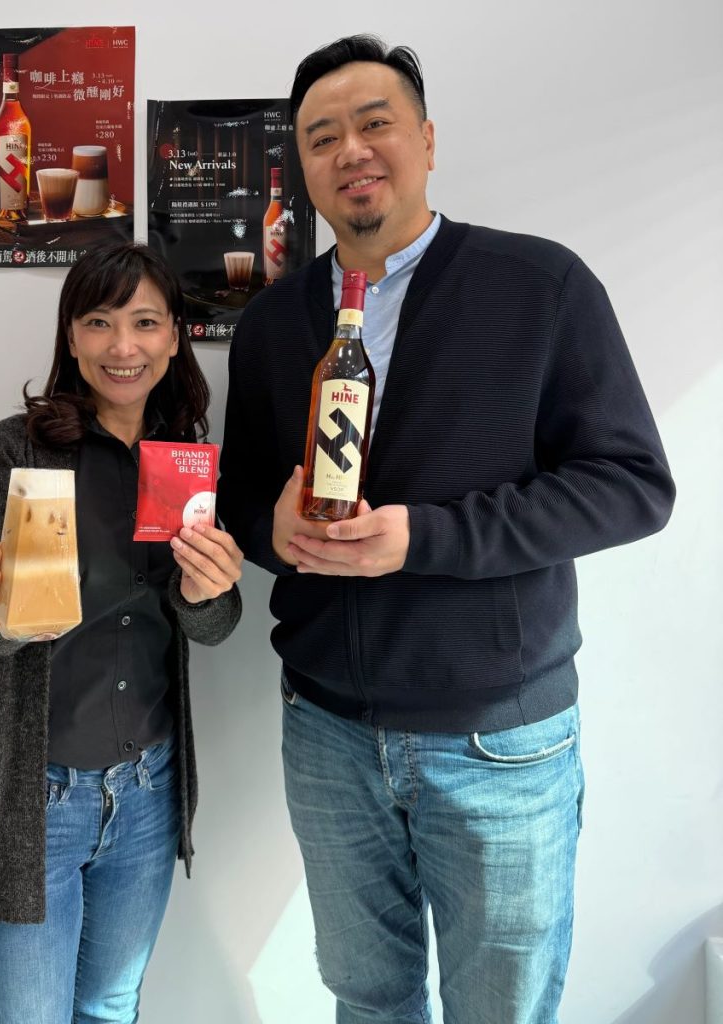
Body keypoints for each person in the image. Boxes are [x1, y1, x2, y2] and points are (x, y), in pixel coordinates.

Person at [218, 34, 674, 1024]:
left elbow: (632, 485)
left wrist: (423, 538)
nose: (350, 151)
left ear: (426, 140)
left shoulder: (540, 286)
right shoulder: (271, 325)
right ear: (303, 168)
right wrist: (273, 529)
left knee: (500, 1010)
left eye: (374, 123)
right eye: (321, 137)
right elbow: (240, 495)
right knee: (365, 999)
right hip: (326, 731)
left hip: (498, 738)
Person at [0, 241, 242, 1024]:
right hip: (33, 796)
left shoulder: (187, 460)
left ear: (174, 337)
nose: (122, 346)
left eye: (145, 322)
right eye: (99, 322)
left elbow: (214, 626)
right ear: (71, 338)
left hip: (147, 790)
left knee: (110, 1006)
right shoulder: (16, 449)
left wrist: (210, 592)